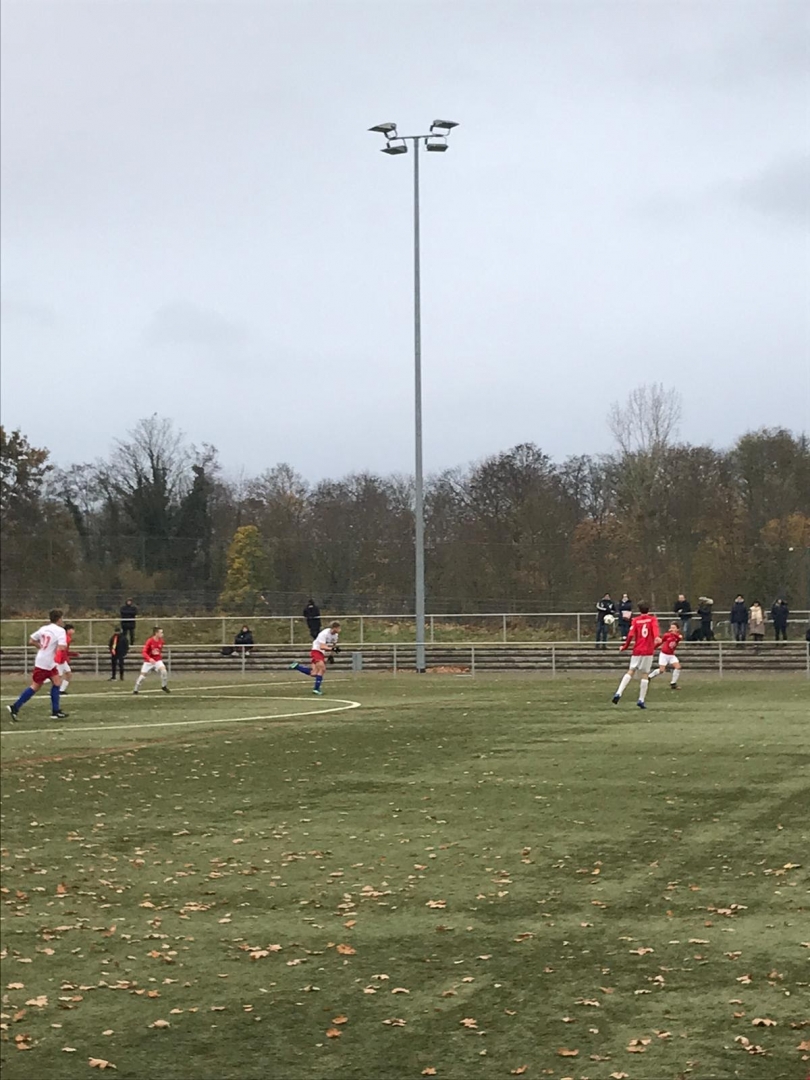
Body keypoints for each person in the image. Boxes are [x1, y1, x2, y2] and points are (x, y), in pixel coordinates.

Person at [6, 609, 69, 721]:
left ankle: (56, 711)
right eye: (62, 618)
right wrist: (58, 654)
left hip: (43, 660)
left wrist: (41, 647)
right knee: (35, 686)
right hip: (47, 662)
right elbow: (62, 647)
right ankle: (15, 707)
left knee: (57, 682)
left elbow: (31, 640)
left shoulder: (44, 628)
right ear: (59, 619)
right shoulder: (60, 631)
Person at [612, 602, 661, 710]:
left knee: (631, 670)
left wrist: (625, 646)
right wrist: (657, 637)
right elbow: (655, 630)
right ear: (649, 609)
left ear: (639, 610)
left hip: (637, 650)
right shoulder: (652, 619)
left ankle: (619, 692)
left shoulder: (635, 620)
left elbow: (630, 635)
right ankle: (641, 700)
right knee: (645, 674)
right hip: (648, 651)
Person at [289, 620, 340, 695]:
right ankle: (316, 689)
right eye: (338, 628)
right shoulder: (324, 633)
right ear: (334, 628)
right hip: (316, 650)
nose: (339, 629)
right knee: (322, 669)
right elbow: (322, 646)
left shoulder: (335, 635)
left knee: (314, 673)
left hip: (321, 652)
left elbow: (334, 645)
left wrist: (331, 655)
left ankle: (297, 666)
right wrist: (333, 649)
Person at [133, 627, 170, 694]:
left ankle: (164, 686)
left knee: (164, 671)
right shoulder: (149, 641)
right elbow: (144, 652)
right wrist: (149, 658)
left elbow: (158, 651)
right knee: (142, 677)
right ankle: (136, 689)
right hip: (148, 661)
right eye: (161, 632)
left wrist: (157, 658)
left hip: (157, 660)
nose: (162, 634)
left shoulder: (161, 641)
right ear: (156, 633)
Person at [649, 622, 683, 689]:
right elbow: (660, 642)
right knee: (661, 670)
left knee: (678, 667)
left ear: (677, 629)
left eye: (674, 628)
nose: (672, 629)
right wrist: (653, 648)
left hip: (671, 655)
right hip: (664, 654)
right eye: (671, 627)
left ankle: (673, 683)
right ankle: (649, 677)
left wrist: (673, 633)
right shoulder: (667, 635)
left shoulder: (679, 636)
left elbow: (678, 638)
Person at [54, 622, 76, 695]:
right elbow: (62, 650)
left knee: (69, 674)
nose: (73, 631)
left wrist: (72, 654)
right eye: (72, 629)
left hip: (63, 659)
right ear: (68, 630)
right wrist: (61, 658)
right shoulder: (66, 638)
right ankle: (42, 681)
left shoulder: (67, 638)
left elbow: (65, 651)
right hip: (61, 659)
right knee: (58, 676)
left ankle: (61, 690)